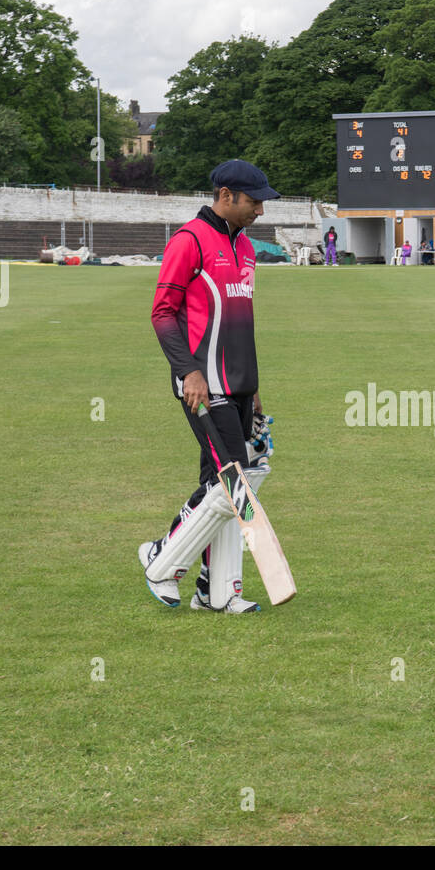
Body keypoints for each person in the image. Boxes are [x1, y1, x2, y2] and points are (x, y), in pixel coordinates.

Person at [139, 159, 280, 613]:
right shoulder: (189, 241)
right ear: (225, 196)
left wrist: (254, 386)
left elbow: (243, 321)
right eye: (254, 201)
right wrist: (188, 371)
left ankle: (216, 591)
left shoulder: (247, 248)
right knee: (232, 485)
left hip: (239, 385)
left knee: (219, 485)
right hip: (204, 384)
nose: (260, 210)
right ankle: (162, 556)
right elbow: (162, 313)